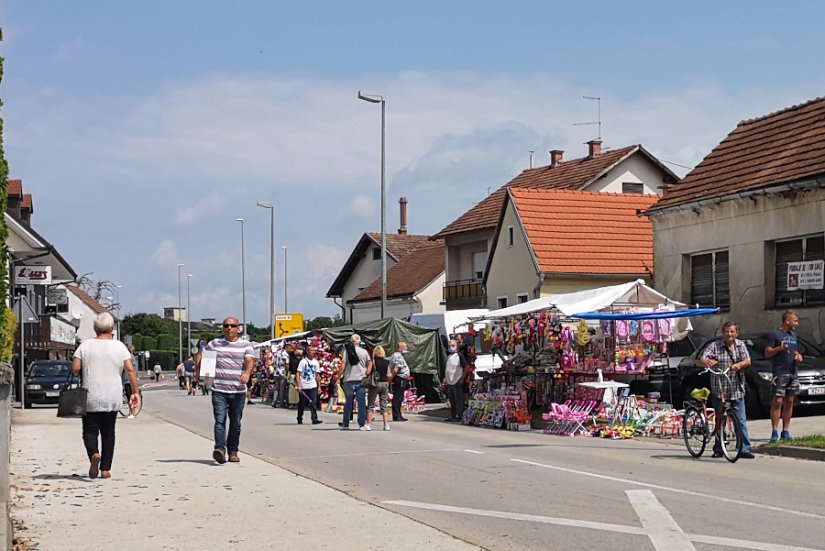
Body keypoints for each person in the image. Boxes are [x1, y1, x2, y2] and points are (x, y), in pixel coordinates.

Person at [71, 312, 140, 479]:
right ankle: (106, 469)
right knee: (109, 432)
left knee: (89, 430)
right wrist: (135, 392)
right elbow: (130, 370)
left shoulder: (85, 345)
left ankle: (94, 454)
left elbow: (75, 368)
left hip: (90, 395)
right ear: (112, 328)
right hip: (112, 395)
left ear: (95, 328)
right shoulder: (119, 346)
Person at [194, 316, 255, 464]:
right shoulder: (215, 343)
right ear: (222, 328)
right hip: (219, 389)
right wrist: (199, 367)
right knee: (219, 421)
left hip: (238, 391)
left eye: (232, 326)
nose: (229, 328)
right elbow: (202, 355)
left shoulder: (245, 345)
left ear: (238, 328)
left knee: (235, 423)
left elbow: (249, 361)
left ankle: (233, 452)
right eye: (226, 325)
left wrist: (247, 373)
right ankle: (220, 449)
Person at [699, 321, 754, 459]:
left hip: (736, 387)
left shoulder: (740, 345)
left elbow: (748, 361)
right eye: (726, 332)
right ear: (723, 333)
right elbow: (702, 358)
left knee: (740, 420)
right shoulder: (715, 346)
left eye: (732, 332)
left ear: (737, 333)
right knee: (720, 419)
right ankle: (718, 448)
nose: (729, 334)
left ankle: (744, 449)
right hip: (720, 387)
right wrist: (707, 362)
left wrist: (739, 365)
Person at [765, 310, 804, 443]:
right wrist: (779, 348)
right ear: (787, 321)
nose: (797, 324)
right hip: (780, 372)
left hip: (793, 371)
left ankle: (785, 431)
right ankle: (774, 431)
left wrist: (798, 356)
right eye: (795, 321)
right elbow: (767, 352)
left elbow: (796, 351)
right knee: (778, 401)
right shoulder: (774, 334)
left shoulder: (793, 335)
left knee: (790, 401)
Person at [340, 334, 371, 430]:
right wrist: (367, 372)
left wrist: (338, 376)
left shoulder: (347, 351)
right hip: (361, 379)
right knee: (361, 401)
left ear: (351, 341)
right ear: (360, 342)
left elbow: (343, 364)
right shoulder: (364, 352)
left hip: (349, 378)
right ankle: (362, 423)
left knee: (348, 402)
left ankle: (346, 423)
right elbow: (369, 362)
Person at [296, 345, 323, 425]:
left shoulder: (316, 362)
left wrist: (319, 386)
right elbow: (298, 373)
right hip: (304, 385)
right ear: (307, 352)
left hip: (312, 385)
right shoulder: (303, 362)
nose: (313, 352)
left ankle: (314, 419)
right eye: (311, 351)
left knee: (313, 402)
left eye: (314, 351)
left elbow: (317, 375)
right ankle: (299, 418)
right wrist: (299, 385)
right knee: (302, 403)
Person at [443, 339, 468, 422]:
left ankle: (459, 415)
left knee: (458, 400)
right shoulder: (449, 356)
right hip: (450, 382)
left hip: (457, 381)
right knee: (451, 400)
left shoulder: (459, 356)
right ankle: (452, 415)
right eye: (449, 346)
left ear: (457, 347)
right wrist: (445, 378)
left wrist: (462, 378)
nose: (451, 347)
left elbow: (466, 367)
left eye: (453, 346)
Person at [367, 345, 392, 431]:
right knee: (383, 404)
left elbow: (367, 372)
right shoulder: (386, 362)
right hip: (384, 383)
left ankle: (369, 425)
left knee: (371, 404)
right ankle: (386, 425)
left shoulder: (372, 362)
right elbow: (389, 374)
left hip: (375, 383)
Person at [388, 342, 411, 421]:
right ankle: (397, 415)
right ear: (400, 348)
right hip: (400, 378)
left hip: (400, 378)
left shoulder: (398, 356)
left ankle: (398, 414)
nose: (406, 349)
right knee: (398, 397)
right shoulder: (397, 356)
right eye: (405, 348)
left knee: (398, 397)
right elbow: (396, 369)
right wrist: (391, 377)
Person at [272, 343, 289, 408]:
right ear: (286, 347)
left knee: (276, 388)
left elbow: (273, 362)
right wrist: (287, 372)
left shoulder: (276, 353)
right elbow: (287, 364)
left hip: (276, 372)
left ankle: (274, 401)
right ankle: (281, 403)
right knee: (282, 388)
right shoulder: (285, 354)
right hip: (282, 372)